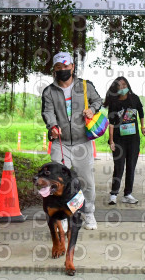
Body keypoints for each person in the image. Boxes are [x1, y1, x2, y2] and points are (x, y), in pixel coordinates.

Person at [41, 51, 103, 230]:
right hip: (60, 143)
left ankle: (88, 213)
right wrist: (52, 126)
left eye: (66, 66)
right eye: (58, 67)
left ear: (72, 67)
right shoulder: (49, 91)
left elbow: (98, 100)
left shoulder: (85, 86)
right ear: (54, 70)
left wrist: (91, 109)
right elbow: (47, 112)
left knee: (86, 181)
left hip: (82, 141)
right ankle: (64, 214)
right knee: (59, 181)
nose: (63, 70)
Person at [104, 77, 145, 205]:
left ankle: (127, 194)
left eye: (124, 84)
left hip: (133, 139)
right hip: (118, 140)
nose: (122, 87)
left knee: (131, 167)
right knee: (119, 167)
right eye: (119, 86)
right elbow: (111, 123)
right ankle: (113, 194)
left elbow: (141, 113)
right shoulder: (114, 102)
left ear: (128, 85)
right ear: (115, 88)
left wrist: (143, 127)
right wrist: (111, 141)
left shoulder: (134, 98)